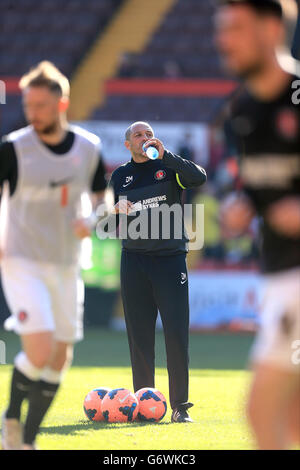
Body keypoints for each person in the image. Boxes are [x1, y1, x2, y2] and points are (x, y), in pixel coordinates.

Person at [0, 61, 107, 450]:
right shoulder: (12, 148)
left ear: (62, 103)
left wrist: (94, 219)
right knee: (41, 350)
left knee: (60, 359)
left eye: (41, 105)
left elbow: (102, 199)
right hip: (21, 259)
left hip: (66, 263)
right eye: (29, 106)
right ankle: (10, 418)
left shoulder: (88, 148)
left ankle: (27, 440)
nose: (33, 113)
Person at [215, 0, 300, 449]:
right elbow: (258, 187)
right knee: (291, 420)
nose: (223, 40)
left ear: (271, 29)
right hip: (277, 274)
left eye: (236, 28)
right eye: (221, 29)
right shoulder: (242, 108)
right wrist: (240, 206)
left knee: (261, 412)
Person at [99, 121, 206, 422]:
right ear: (127, 144)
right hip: (133, 261)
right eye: (138, 135)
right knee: (139, 337)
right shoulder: (119, 176)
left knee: (175, 333)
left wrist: (167, 156)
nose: (145, 138)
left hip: (170, 260)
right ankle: (146, 405)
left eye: (148, 134)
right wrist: (112, 212)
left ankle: (180, 408)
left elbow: (199, 177)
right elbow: (103, 227)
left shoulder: (169, 167)